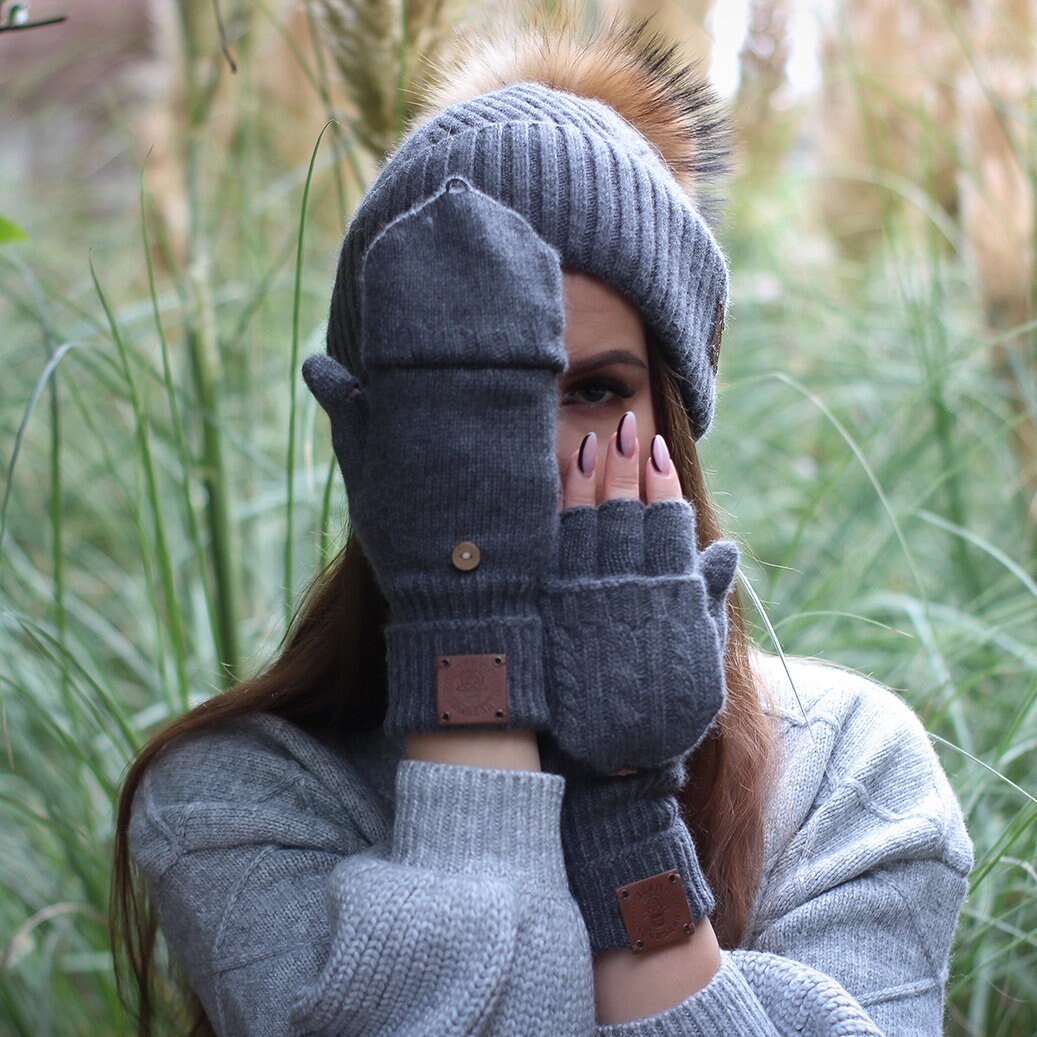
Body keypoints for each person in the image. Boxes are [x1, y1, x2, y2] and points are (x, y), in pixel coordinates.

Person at [111, 17, 973, 1037]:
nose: (523, 457)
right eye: (467, 396)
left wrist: (624, 811)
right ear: (373, 439)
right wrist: (466, 658)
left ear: (671, 424)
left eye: (594, 388)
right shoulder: (236, 794)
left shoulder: (845, 765)